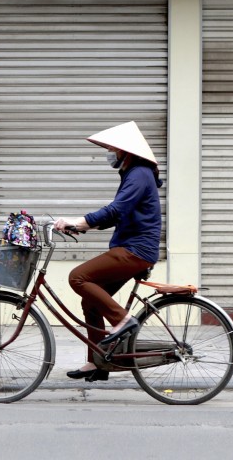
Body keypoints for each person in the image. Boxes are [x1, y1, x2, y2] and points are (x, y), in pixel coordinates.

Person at [53, 121, 163, 382]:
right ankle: (98, 362)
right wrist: (82, 228)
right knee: (90, 301)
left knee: (78, 277)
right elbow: (117, 216)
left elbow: (116, 209)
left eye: (114, 149)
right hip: (130, 246)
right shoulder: (134, 174)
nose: (111, 153)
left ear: (127, 152)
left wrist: (80, 220)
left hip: (136, 249)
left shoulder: (139, 173)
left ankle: (122, 321)